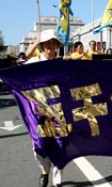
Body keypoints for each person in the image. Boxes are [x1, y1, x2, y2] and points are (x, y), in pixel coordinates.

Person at [25, 29, 63, 187]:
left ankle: (57, 179)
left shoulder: (62, 62)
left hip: (59, 109)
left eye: (53, 43)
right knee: (39, 143)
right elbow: (17, 72)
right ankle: (44, 170)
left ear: (57, 46)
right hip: (38, 109)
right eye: (47, 43)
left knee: (60, 142)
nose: (50, 46)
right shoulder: (34, 62)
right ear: (42, 45)